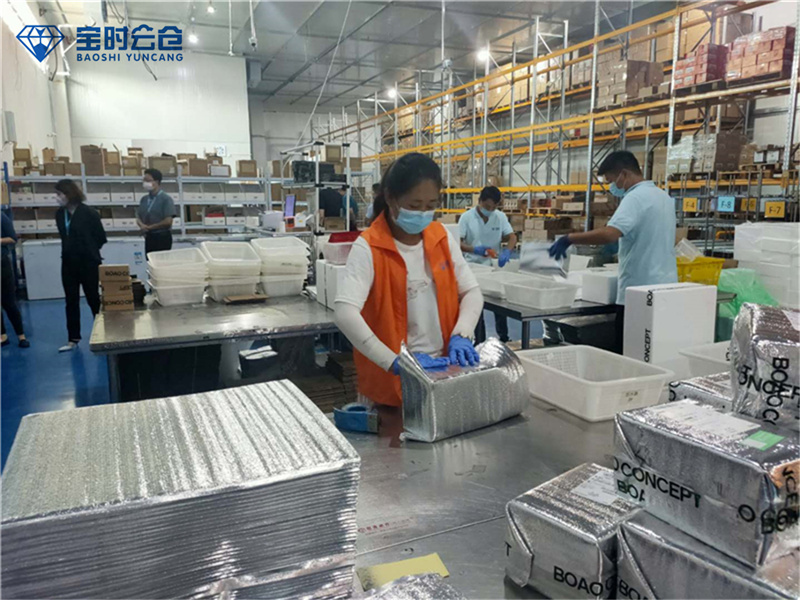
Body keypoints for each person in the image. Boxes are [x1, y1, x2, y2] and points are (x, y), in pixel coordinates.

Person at [334, 153, 484, 407]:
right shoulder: (370, 246)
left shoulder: (441, 237)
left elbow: (471, 291)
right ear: (391, 198)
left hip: (442, 370)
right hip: (390, 384)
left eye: (430, 205)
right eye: (414, 206)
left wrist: (462, 333)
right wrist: (393, 361)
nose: (423, 213)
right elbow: (345, 312)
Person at [548, 150, 677, 352]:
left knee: (629, 351)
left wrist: (570, 238)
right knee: (654, 351)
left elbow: (610, 234)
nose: (611, 187)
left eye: (610, 180)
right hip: (667, 288)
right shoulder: (663, 197)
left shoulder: (635, 198)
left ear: (624, 174)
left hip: (638, 291)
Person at [459, 185, 518, 343]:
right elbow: (458, 242)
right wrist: (474, 249)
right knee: (477, 305)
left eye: (493, 207)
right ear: (479, 201)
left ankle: (504, 339)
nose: (490, 210)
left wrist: (507, 251)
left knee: (500, 305)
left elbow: (512, 237)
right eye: (487, 206)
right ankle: (480, 341)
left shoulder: (500, 217)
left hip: (493, 268)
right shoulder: (467, 218)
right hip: (473, 268)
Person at [55, 179, 108, 352]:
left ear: (69, 194)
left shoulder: (89, 213)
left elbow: (101, 238)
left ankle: (103, 334)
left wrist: (88, 249)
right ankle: (73, 338)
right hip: (68, 263)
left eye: (59, 194)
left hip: (88, 262)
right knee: (71, 300)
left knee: (93, 298)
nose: (57, 197)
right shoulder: (60, 214)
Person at [1, 211, 29, 348]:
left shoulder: (1, 216)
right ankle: (2, 336)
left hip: (2, 264)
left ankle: (21, 336)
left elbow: (12, 238)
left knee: (9, 302)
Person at [137, 168, 176, 255]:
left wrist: (150, 227)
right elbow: (138, 216)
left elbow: (168, 221)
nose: (145, 183)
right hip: (149, 237)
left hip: (162, 237)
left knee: (161, 260)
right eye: (144, 180)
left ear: (157, 182)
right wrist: (141, 225)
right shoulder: (144, 199)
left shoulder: (166, 199)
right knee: (149, 259)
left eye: (148, 180)